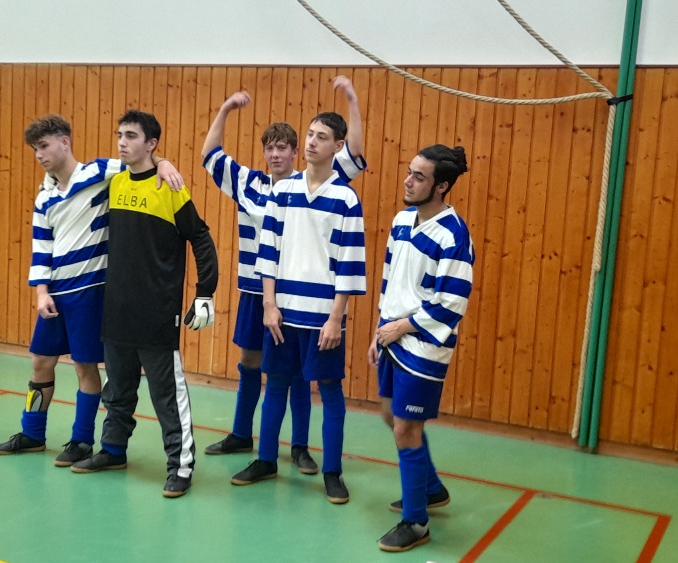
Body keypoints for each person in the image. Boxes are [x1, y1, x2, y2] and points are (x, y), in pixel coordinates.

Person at [0, 114, 183, 467]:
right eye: (35, 149)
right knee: (40, 363)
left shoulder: (99, 172)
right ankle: (32, 433)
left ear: (65, 142)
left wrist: (165, 162)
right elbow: (41, 248)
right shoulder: (44, 197)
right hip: (56, 293)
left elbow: (140, 162)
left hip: (90, 290)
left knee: (85, 367)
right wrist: (41, 292)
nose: (39, 154)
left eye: (44, 146)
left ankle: (81, 441)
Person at [200, 80, 366, 476]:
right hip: (257, 290)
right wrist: (225, 108)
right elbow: (209, 155)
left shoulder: (322, 181)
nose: (275, 154)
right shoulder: (251, 184)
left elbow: (355, 151)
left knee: (296, 373)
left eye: (283, 148)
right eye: (269, 148)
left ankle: (300, 447)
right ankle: (243, 433)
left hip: (302, 299)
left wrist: (352, 99)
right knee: (253, 363)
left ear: (295, 152)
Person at [70, 110, 218, 499]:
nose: (122, 141)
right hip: (116, 311)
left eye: (131, 136)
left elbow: (201, 238)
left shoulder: (170, 187)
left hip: (157, 313)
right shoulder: (116, 183)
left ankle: (180, 467)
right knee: (117, 390)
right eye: (120, 134)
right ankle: (113, 450)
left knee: (167, 396)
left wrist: (206, 291)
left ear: (151, 143)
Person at [369, 145, 474, 552]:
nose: (408, 181)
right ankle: (430, 488)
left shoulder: (453, 235)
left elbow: (452, 302)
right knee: (389, 414)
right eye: (409, 172)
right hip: (392, 336)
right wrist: (379, 330)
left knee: (406, 428)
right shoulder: (401, 221)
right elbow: (389, 280)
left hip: (424, 344)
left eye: (419, 176)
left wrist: (402, 326)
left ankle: (416, 523)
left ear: (441, 186)